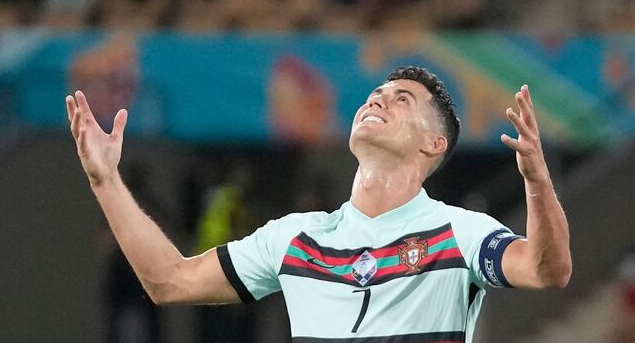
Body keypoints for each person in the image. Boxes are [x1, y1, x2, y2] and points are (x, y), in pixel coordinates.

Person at [66, 66, 571, 342]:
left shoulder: (458, 233)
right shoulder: (296, 239)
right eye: (376, 93)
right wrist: (104, 179)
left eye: (402, 99)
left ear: (433, 144)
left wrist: (536, 181)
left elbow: (547, 269)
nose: (377, 100)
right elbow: (169, 281)